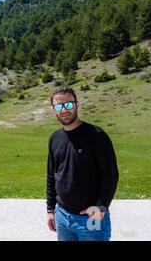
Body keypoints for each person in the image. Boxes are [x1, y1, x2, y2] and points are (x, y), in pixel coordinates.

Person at [46, 87, 119, 241]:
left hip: (91, 217)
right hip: (62, 216)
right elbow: (51, 177)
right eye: (59, 106)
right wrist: (50, 210)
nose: (64, 110)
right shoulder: (55, 138)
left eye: (69, 105)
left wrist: (101, 207)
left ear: (77, 104)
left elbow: (110, 175)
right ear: (54, 110)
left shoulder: (96, 136)